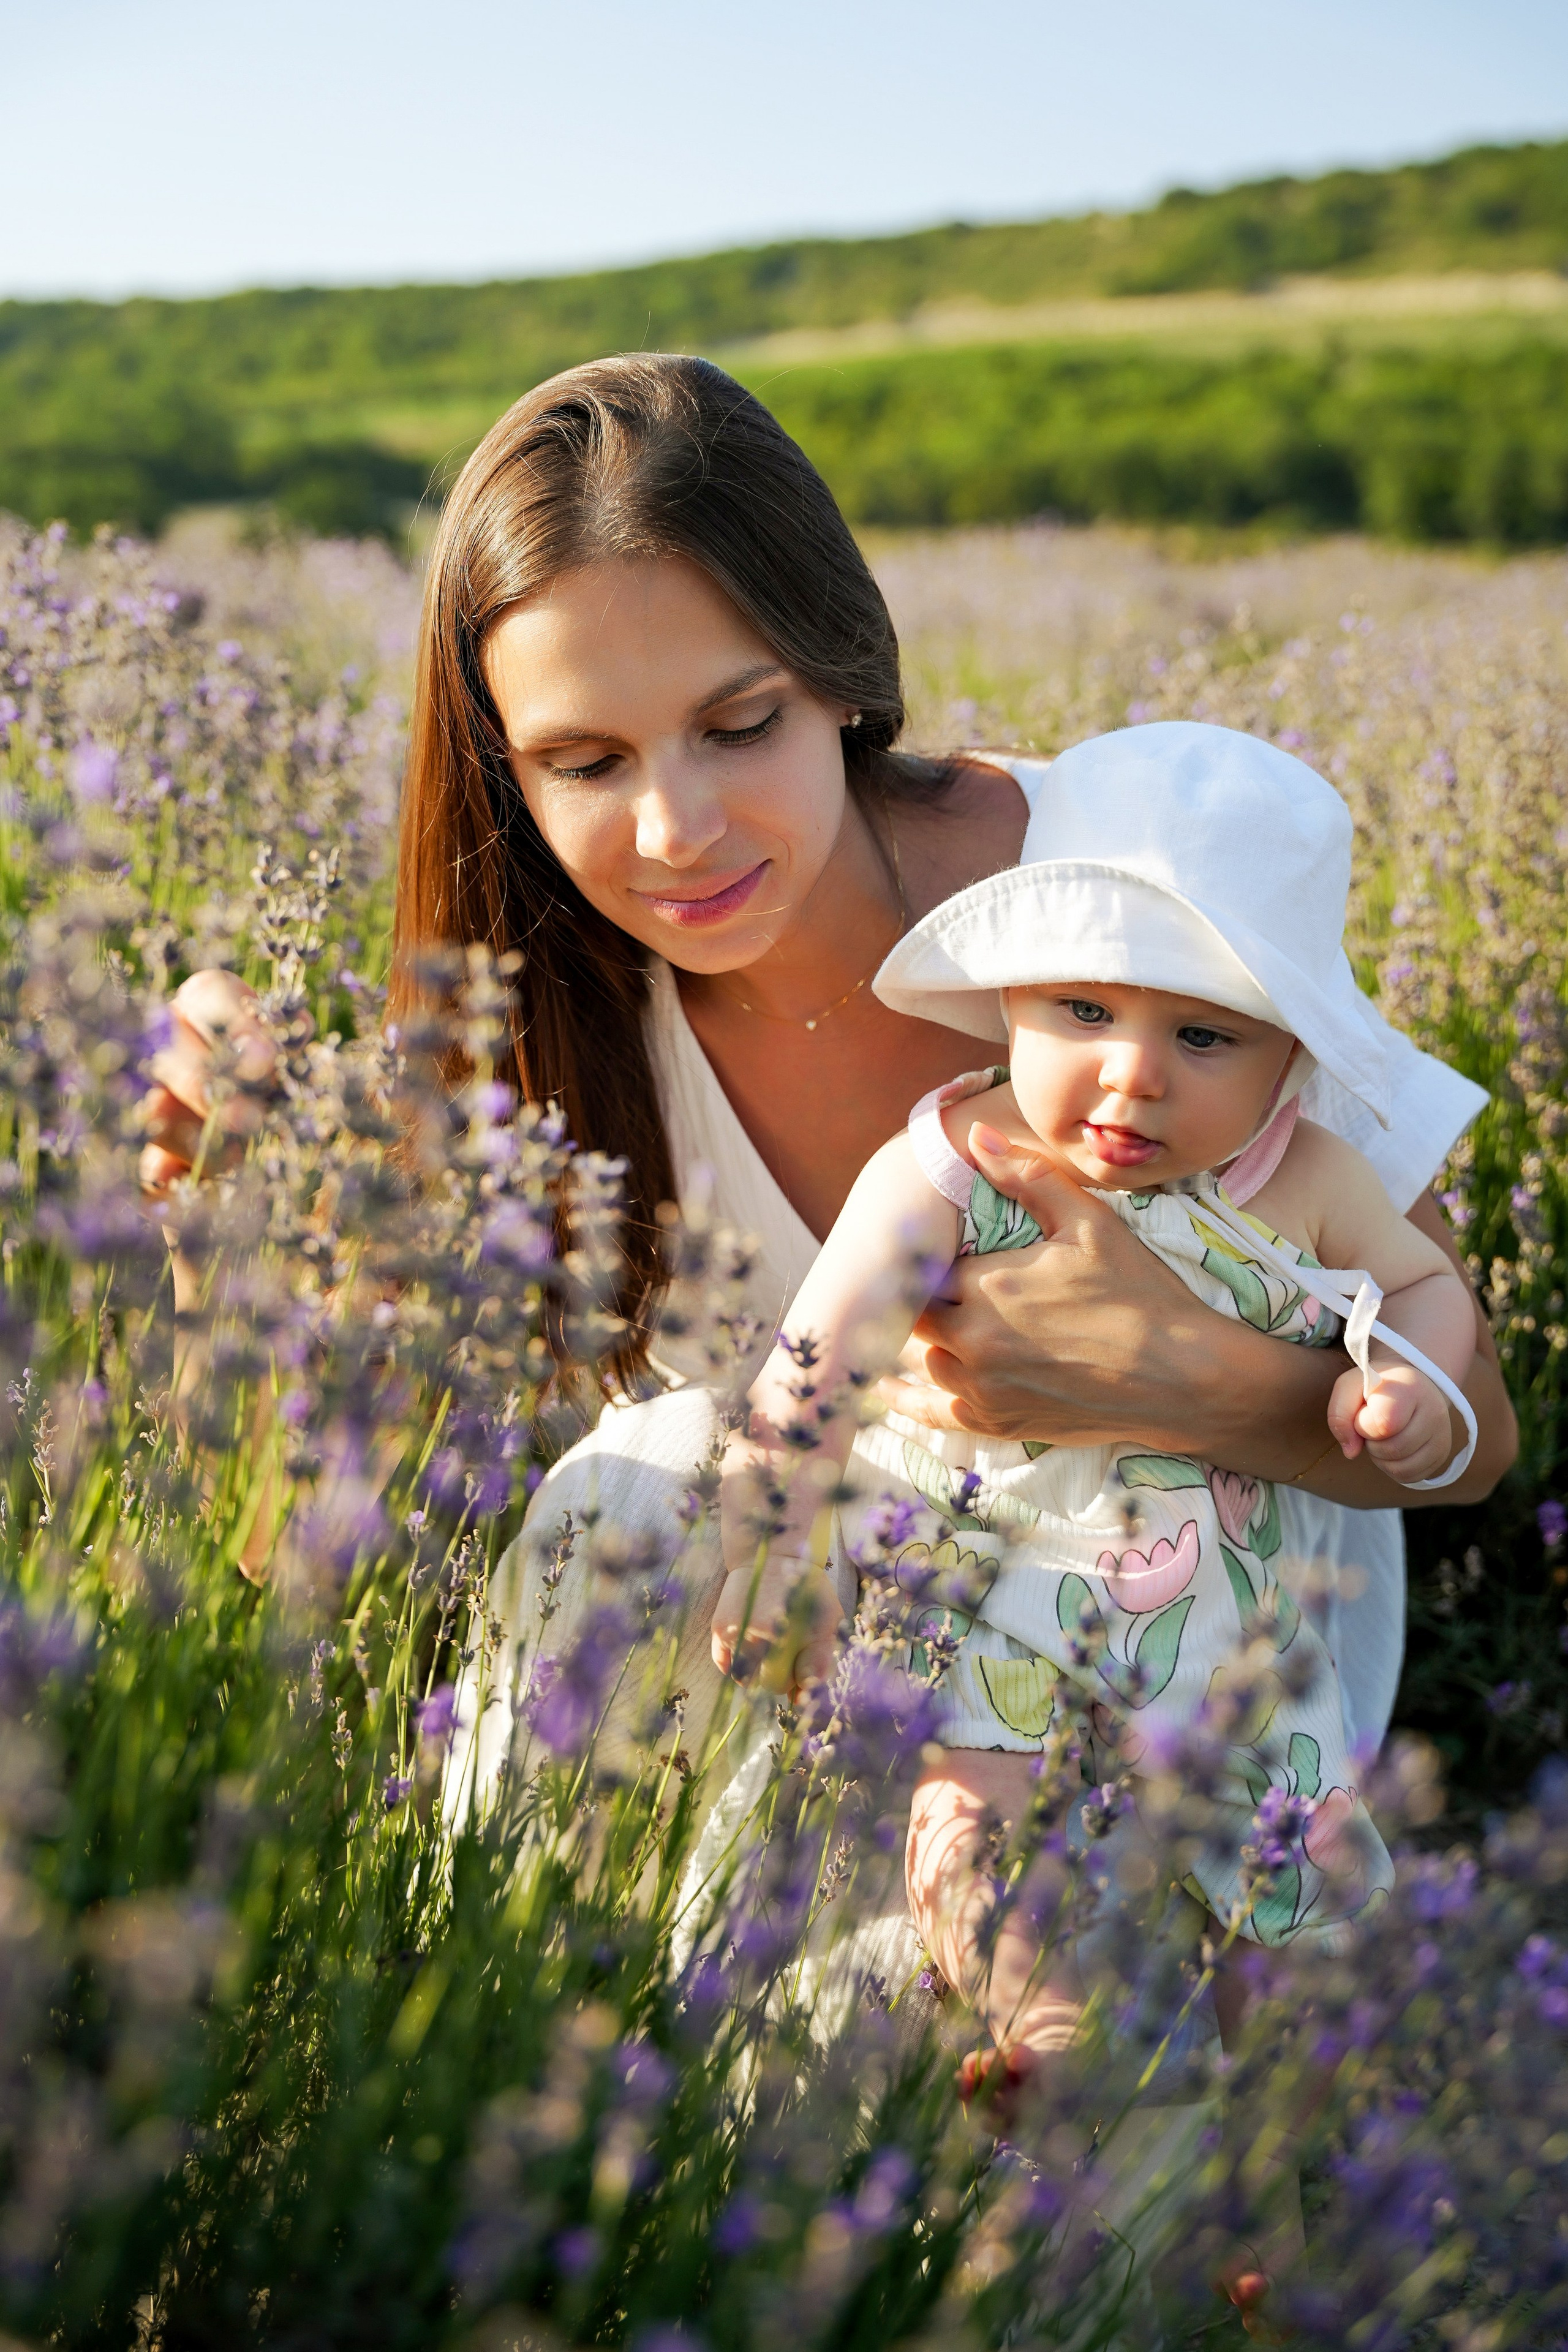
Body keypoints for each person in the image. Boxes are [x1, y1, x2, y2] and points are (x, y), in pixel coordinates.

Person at [141, 350, 1514, 1951]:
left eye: (740, 724)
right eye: (586, 763)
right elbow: (291, 1558)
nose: (678, 830)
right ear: (508, 771)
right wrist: (211, 1260)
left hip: (1192, 1655)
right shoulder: (543, 1032)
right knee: (643, 1500)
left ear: (843, 672)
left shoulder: (1142, 908)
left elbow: (1476, 1442)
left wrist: (1177, 1380)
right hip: (803, 1684)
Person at [710, 718, 1480, 2083]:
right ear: (1007, 998)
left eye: (1200, 1034)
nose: (1132, 1073)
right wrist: (771, 1544)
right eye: (1081, 1012)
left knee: (1293, 1905)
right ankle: (1045, 2035)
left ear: (1286, 1060)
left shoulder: (1303, 1181)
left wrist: (1407, 1383)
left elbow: (1426, 1291)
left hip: (1237, 1656)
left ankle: (1279, 2185)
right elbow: (809, 1366)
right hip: (1009, 1612)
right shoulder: (956, 1162)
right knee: (976, 1820)